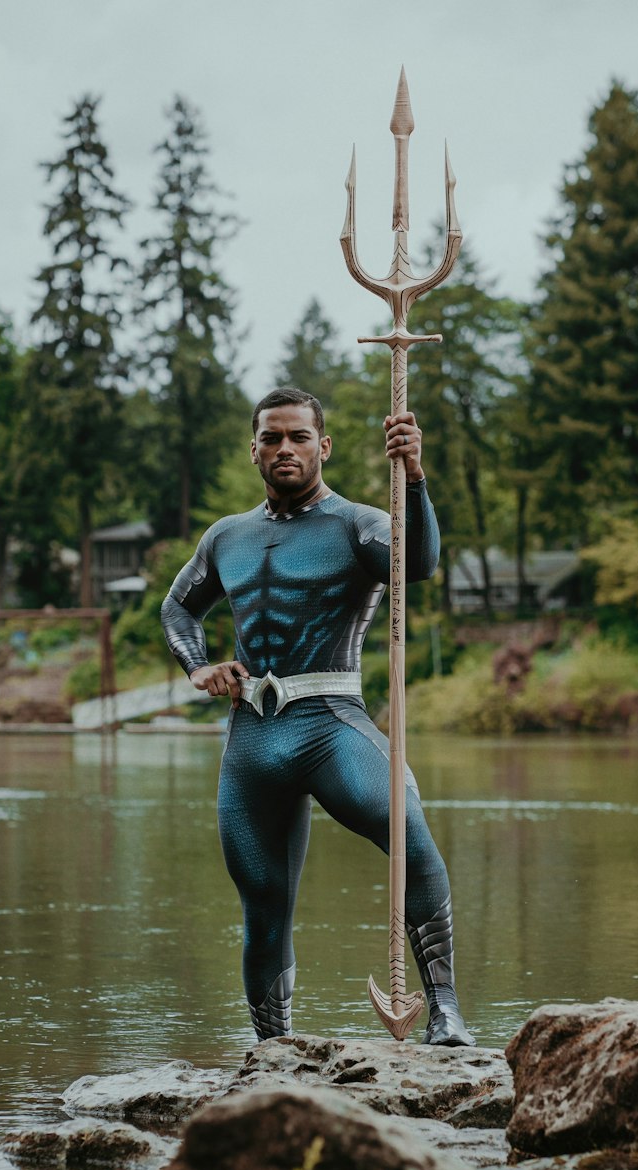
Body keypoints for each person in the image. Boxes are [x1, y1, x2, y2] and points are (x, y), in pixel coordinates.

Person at [161, 386, 474, 1046]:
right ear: (254, 450)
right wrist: (197, 666)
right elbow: (178, 608)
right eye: (272, 438)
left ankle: (444, 1010)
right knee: (264, 906)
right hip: (253, 739)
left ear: (322, 446)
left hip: (331, 723)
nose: (285, 449)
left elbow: (418, 564)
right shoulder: (226, 537)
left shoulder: (357, 524)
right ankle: (273, 1049)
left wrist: (414, 477)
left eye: (299, 437)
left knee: (410, 835)